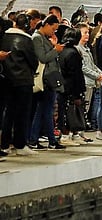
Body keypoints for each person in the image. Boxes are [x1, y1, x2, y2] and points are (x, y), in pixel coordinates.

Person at [0, 13, 38, 156]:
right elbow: (33, 61)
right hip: (23, 80)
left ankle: (4, 144)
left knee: (8, 112)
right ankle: (20, 144)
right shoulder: (26, 40)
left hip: (6, 79)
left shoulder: (4, 37)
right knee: (22, 114)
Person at [30, 14, 66, 150]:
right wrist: (55, 50)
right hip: (45, 79)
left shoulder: (44, 38)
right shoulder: (37, 38)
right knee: (45, 110)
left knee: (44, 110)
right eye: (53, 28)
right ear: (45, 25)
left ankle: (38, 139)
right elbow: (42, 57)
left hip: (50, 78)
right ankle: (49, 140)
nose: (54, 32)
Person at [58, 27, 86, 146]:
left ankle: (72, 134)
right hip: (71, 86)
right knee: (69, 111)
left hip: (63, 85)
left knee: (65, 110)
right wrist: (80, 90)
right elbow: (76, 73)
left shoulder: (63, 51)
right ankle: (66, 135)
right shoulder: (73, 53)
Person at [76, 22, 102, 137]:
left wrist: (99, 72)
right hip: (85, 81)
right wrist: (96, 75)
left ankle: (81, 132)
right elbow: (83, 67)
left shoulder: (86, 49)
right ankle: (77, 132)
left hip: (91, 83)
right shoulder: (78, 49)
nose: (87, 35)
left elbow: (91, 64)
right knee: (81, 108)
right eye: (85, 33)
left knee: (85, 108)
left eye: (88, 32)